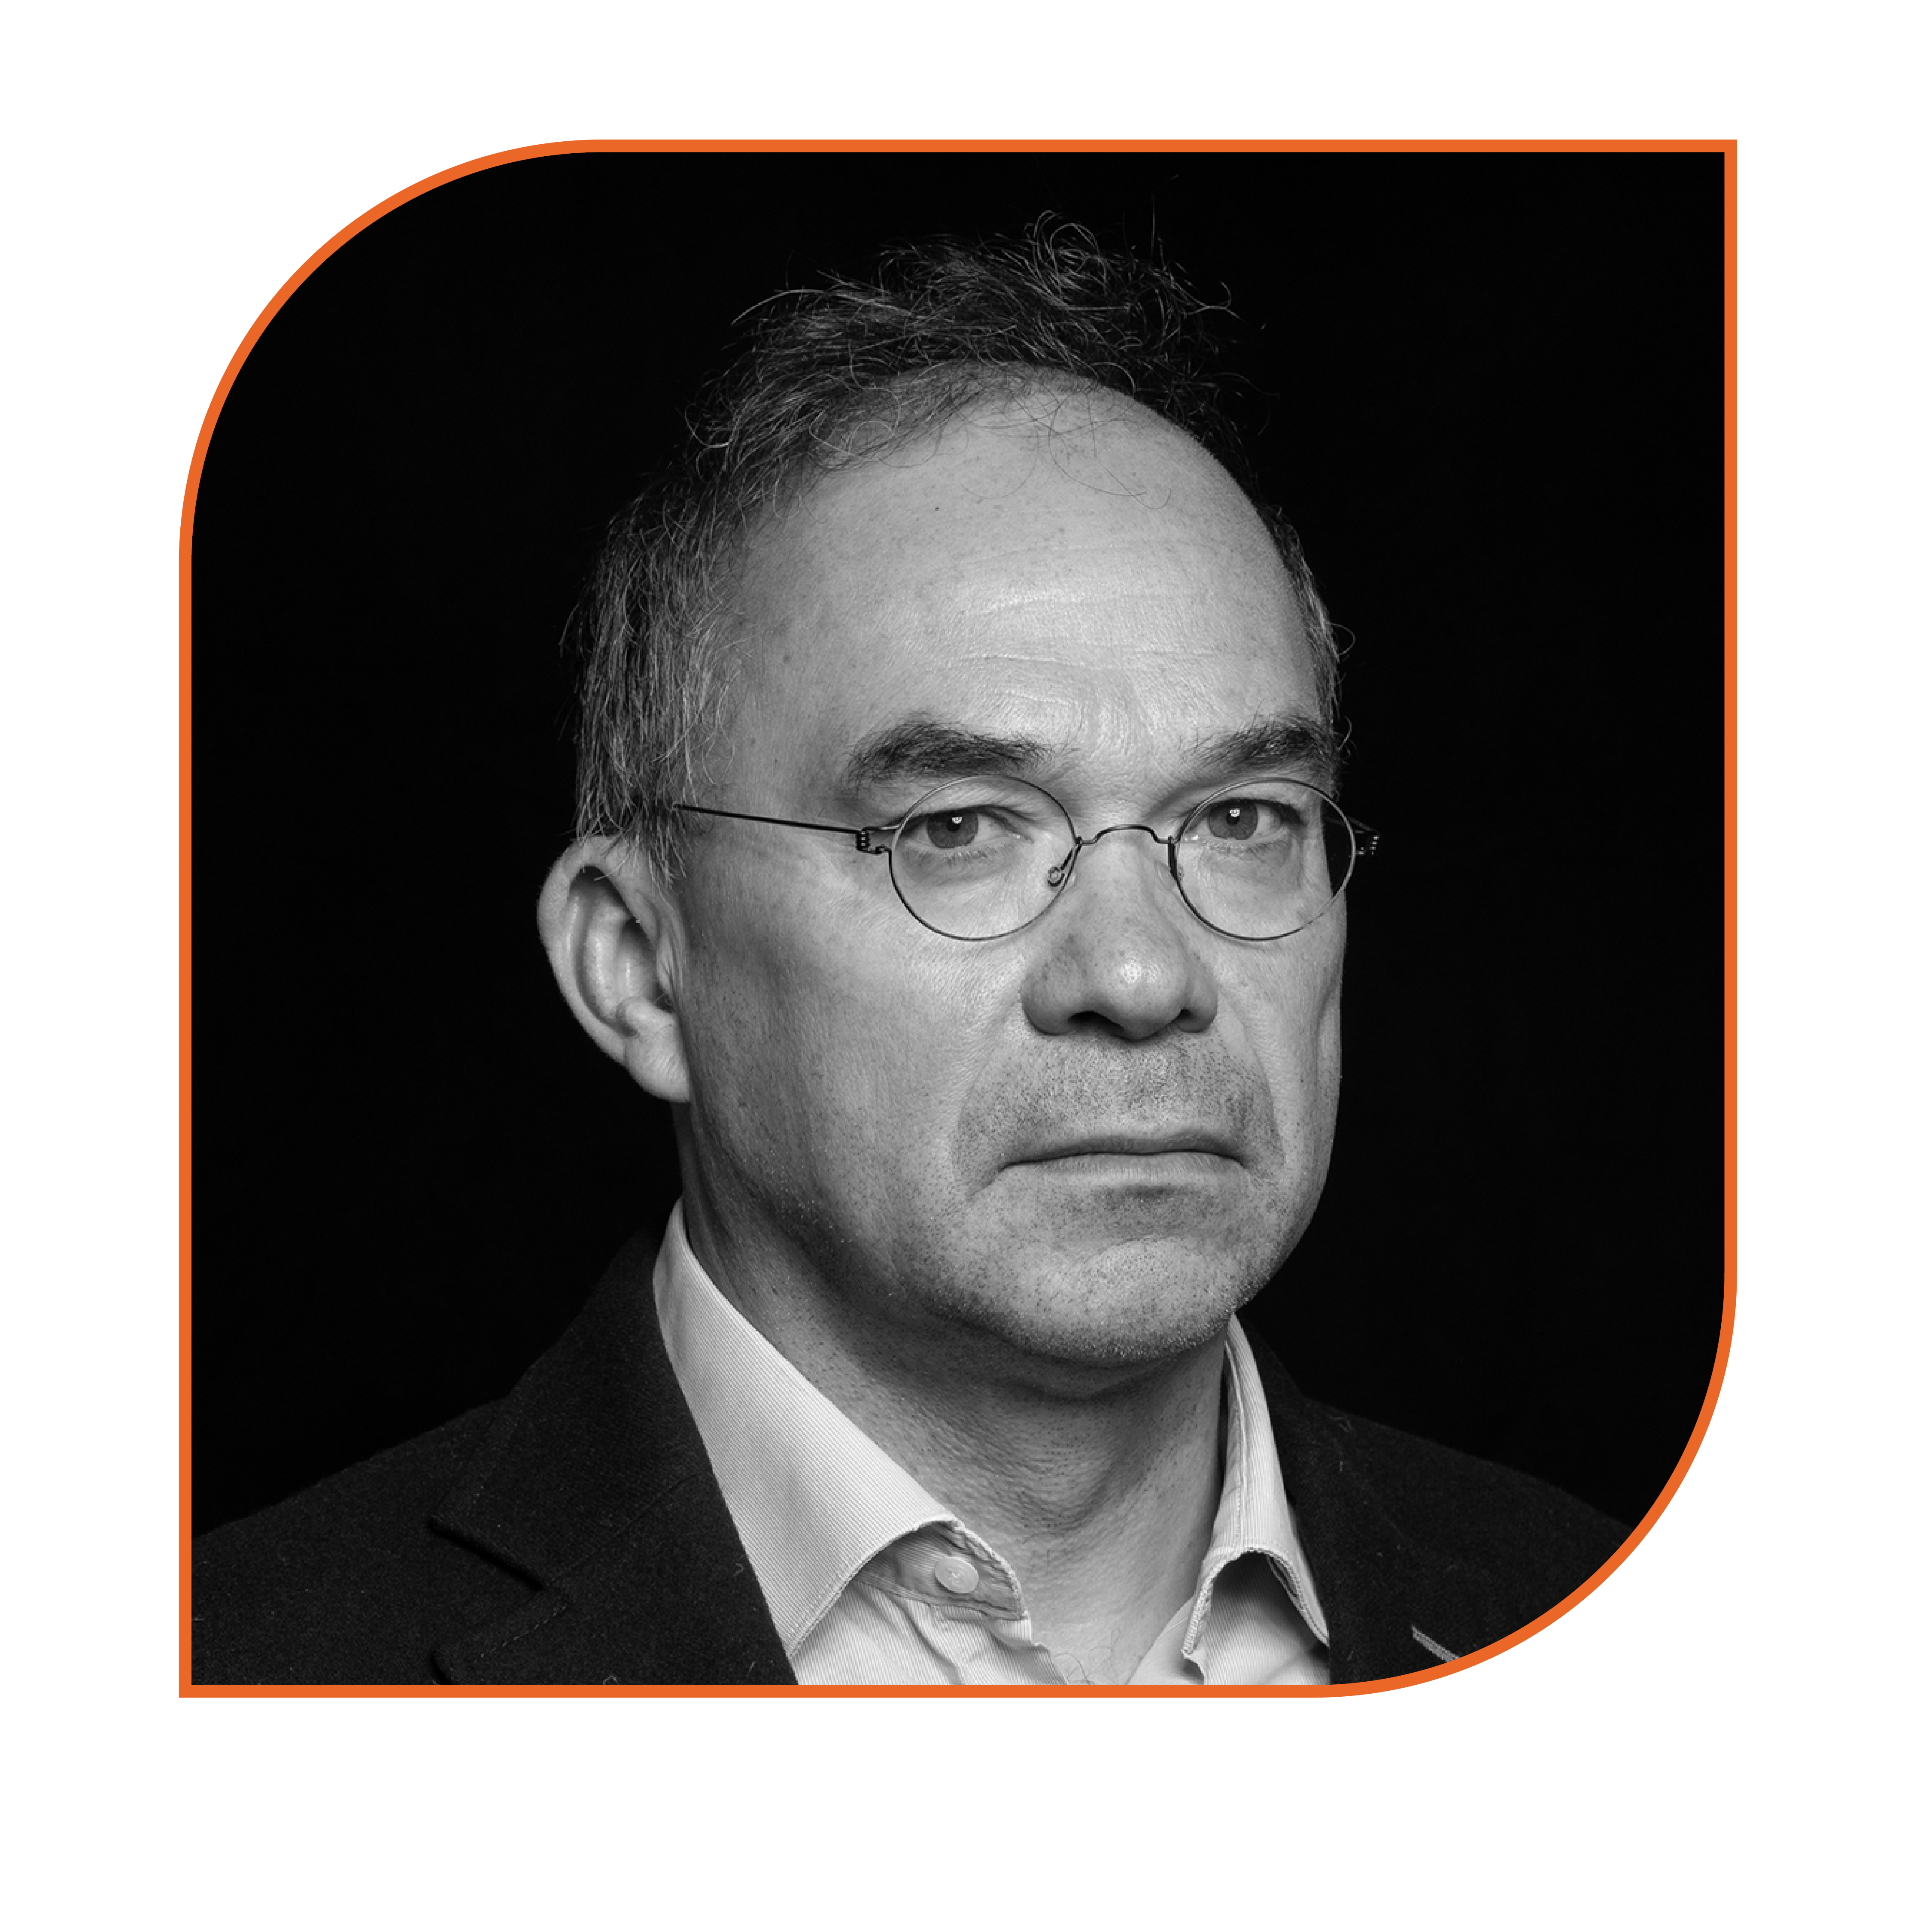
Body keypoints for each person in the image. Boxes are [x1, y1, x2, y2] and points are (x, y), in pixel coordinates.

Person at [192, 222, 1625, 1687]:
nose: (1142, 978)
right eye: (958, 830)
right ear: (637, 963)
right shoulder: (232, 1685)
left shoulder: (1613, 1626)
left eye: (1240, 815)